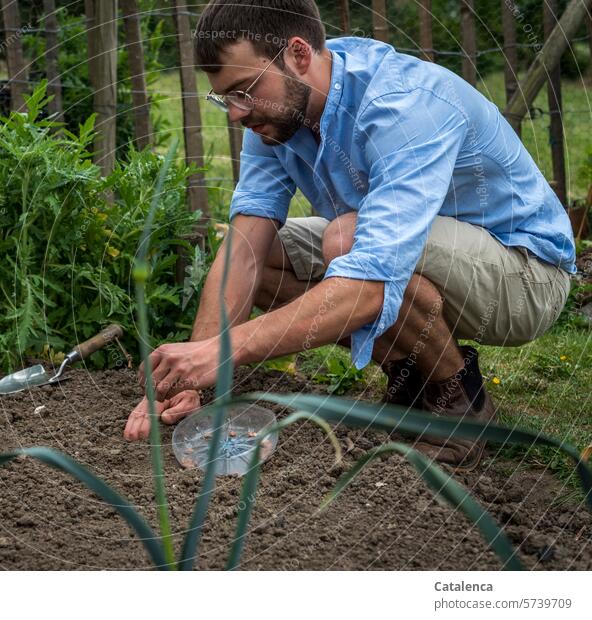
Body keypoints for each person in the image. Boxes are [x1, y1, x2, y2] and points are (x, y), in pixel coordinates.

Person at [124, 0, 576, 470]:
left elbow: (371, 279)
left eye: (245, 90)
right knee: (271, 261)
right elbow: (244, 251)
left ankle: (459, 405)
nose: (236, 114)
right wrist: (195, 379)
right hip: (418, 253)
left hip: (524, 275)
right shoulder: (275, 116)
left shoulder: (400, 104)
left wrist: (222, 351)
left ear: (299, 55)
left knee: (347, 241)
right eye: (226, 98)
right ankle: (412, 380)